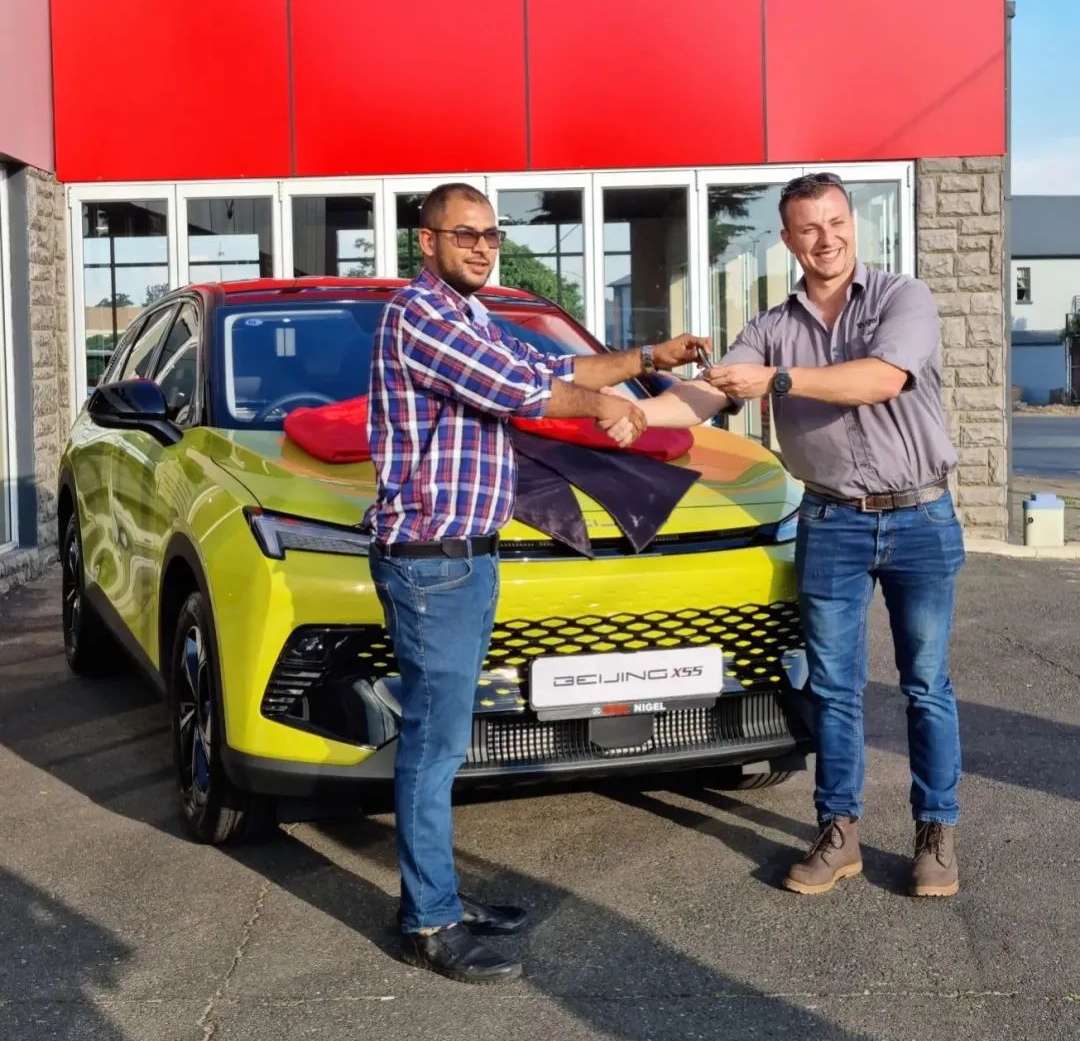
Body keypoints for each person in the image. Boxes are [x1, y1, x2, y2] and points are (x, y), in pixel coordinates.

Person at [365, 182, 710, 983]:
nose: (483, 247)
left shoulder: (472, 316)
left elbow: (554, 363)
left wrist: (648, 360)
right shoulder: (419, 316)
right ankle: (429, 920)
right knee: (434, 746)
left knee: (445, 742)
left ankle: (441, 895)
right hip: (432, 562)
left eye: (491, 234)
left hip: (467, 559)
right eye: (465, 234)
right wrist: (608, 409)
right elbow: (523, 390)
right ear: (427, 241)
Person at [621, 172, 964, 899]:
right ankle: (838, 833)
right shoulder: (771, 325)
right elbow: (706, 394)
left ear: (853, 224)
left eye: (835, 222)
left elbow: (880, 379)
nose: (825, 238)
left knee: (926, 684)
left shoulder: (903, 298)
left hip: (920, 517)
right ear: (788, 239)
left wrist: (776, 380)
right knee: (833, 688)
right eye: (808, 227)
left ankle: (935, 831)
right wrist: (624, 415)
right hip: (831, 520)